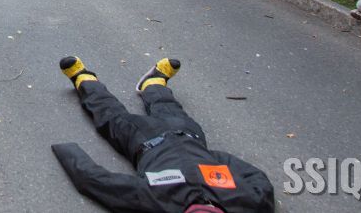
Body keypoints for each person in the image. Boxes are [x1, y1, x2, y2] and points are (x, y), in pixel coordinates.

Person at [53, 54, 274, 213]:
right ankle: (153, 83)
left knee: (110, 114)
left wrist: (67, 149)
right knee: (167, 106)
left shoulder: (155, 201)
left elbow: (96, 182)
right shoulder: (248, 201)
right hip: (188, 135)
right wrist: (215, 158)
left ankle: (84, 79)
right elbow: (258, 178)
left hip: (144, 140)